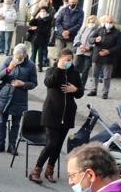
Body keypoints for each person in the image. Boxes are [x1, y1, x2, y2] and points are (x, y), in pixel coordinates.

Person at [31, 49, 83, 184]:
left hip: (67, 114)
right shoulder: (52, 70)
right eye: (65, 59)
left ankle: (50, 170)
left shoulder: (75, 73)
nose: (68, 62)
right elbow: (49, 83)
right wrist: (59, 69)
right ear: (59, 59)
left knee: (58, 145)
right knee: (51, 143)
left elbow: (80, 93)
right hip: (52, 113)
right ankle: (36, 170)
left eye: (70, 60)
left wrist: (75, 89)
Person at [0, 44, 37, 155]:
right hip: (5, 94)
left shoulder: (31, 65)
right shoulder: (9, 60)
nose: (17, 60)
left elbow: (34, 83)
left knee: (16, 123)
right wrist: (9, 69)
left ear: (25, 55)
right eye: (15, 57)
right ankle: (0, 143)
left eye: (20, 58)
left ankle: (12, 145)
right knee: (2, 121)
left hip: (19, 96)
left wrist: (23, 84)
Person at [86, 15, 121, 99]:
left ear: (113, 23)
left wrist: (108, 51)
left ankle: (105, 92)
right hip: (97, 55)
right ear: (104, 22)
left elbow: (119, 46)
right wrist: (95, 40)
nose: (109, 24)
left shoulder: (118, 33)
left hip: (109, 58)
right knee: (94, 74)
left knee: (107, 76)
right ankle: (93, 90)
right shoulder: (99, 30)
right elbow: (90, 39)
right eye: (107, 22)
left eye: (111, 22)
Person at [72, 15, 100, 87]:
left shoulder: (97, 30)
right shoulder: (83, 28)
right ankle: (73, 82)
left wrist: (89, 48)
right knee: (76, 67)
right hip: (80, 50)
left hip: (89, 52)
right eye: (89, 22)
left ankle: (82, 85)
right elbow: (77, 37)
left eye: (93, 22)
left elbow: (97, 42)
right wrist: (80, 45)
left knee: (86, 69)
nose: (91, 23)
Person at [27, 6, 54, 71]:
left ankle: (40, 66)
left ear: (47, 12)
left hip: (43, 39)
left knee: (40, 53)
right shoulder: (38, 19)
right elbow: (31, 23)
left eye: (44, 11)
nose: (42, 12)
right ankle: (32, 67)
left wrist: (37, 28)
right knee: (33, 53)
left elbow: (45, 30)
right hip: (34, 38)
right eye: (41, 11)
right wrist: (35, 17)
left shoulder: (48, 19)